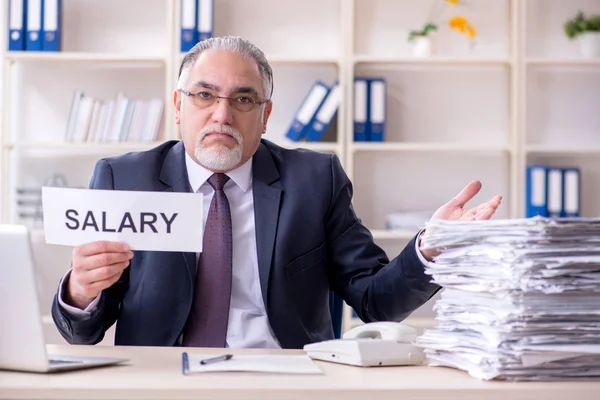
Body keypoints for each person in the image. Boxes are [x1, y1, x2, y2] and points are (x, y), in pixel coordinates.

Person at [51, 36, 502, 349]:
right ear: (178, 106)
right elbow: (83, 332)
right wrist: (80, 290)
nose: (222, 115)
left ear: (265, 116)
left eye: (243, 99)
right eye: (205, 95)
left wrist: (430, 248)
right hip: (162, 378)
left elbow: (375, 300)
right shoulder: (123, 178)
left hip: (287, 374)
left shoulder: (314, 179)